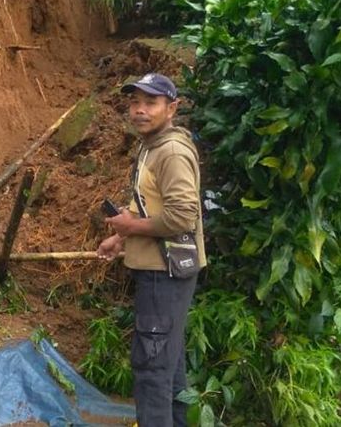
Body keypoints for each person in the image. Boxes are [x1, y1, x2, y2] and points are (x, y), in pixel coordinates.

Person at [97, 73, 206, 426]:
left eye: (150, 103)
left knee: (152, 369)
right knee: (169, 367)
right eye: (135, 102)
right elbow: (149, 205)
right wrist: (122, 237)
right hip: (162, 271)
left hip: (165, 274)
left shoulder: (171, 151)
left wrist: (131, 227)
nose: (140, 110)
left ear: (171, 108)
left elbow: (183, 215)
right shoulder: (152, 146)